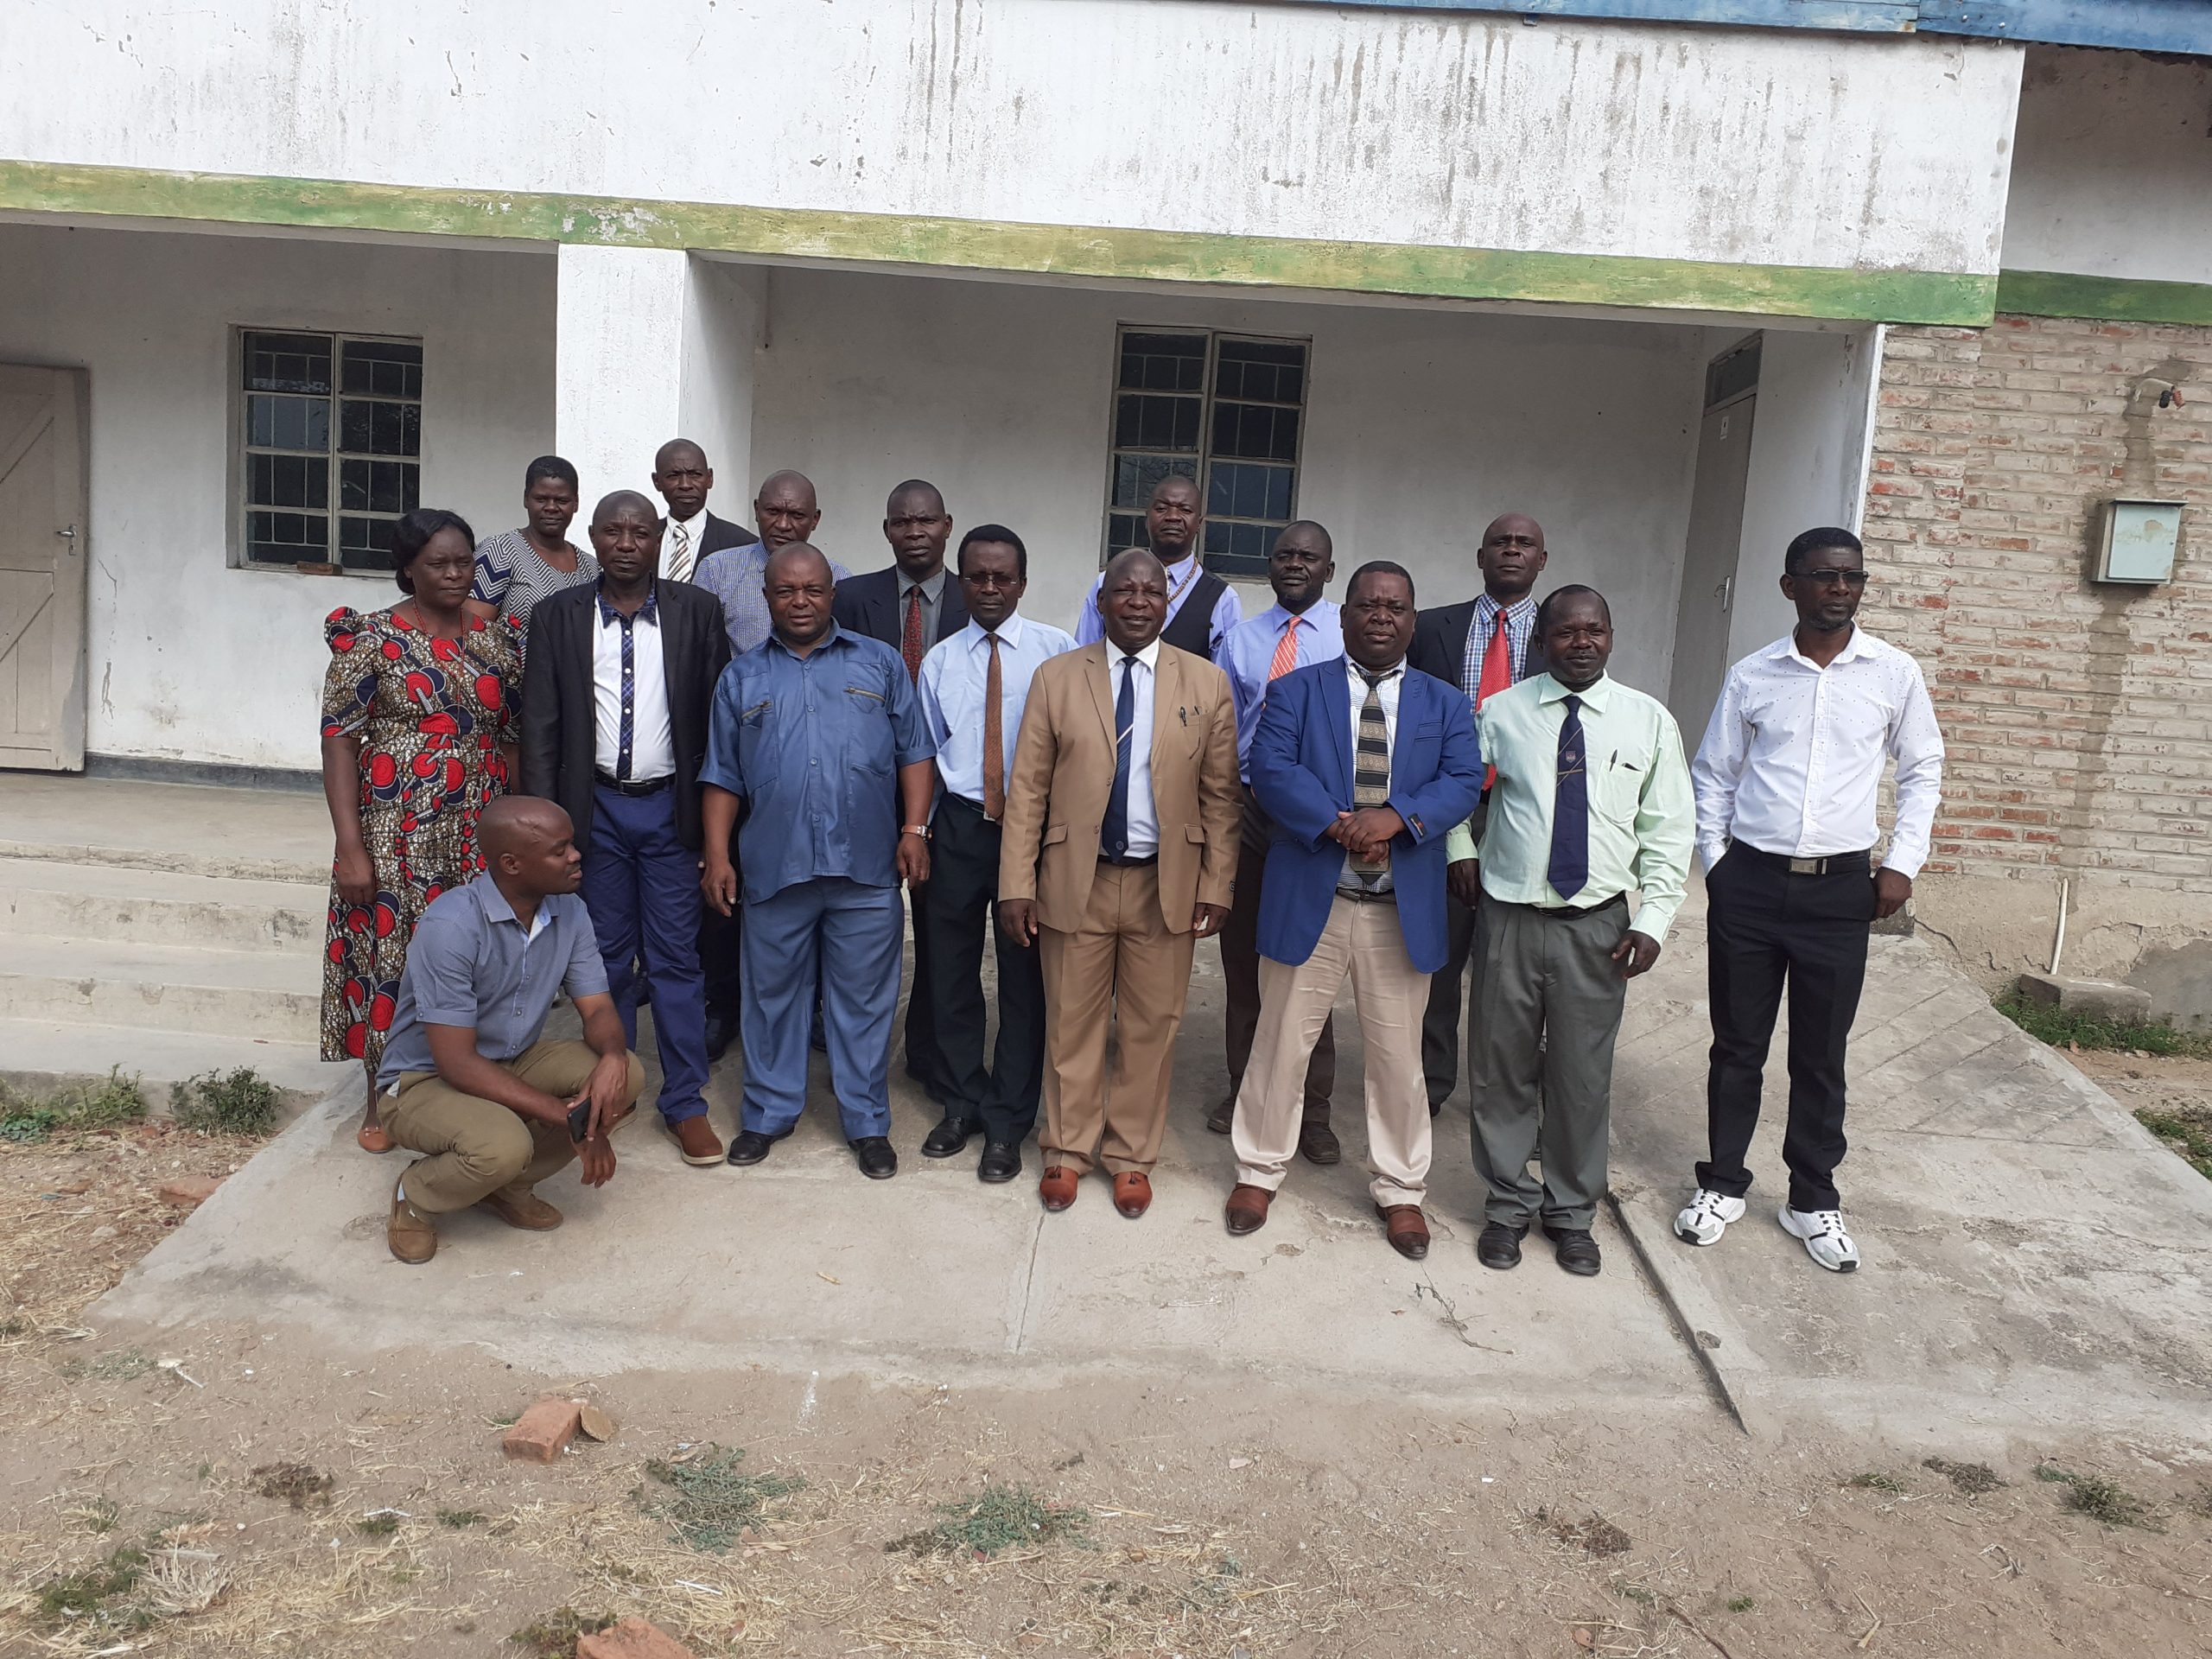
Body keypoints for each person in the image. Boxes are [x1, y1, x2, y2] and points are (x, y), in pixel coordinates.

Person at [1674, 527, 1944, 1273]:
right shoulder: (1755, 674)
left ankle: (1812, 1198)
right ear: (1789, 585)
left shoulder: (1893, 673)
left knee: (1820, 1054)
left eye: (1852, 577)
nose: (1840, 589)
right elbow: (1714, 774)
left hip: (1841, 892)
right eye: (1823, 577)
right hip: (1751, 886)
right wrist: (1718, 862)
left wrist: (1902, 863)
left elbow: (1923, 768)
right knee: (1737, 1047)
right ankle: (1723, 1182)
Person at [1225, 563, 1483, 1259]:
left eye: (1395, 607)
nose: (1379, 617)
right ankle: (1258, 1170)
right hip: (1315, 892)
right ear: (1343, 618)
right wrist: (1342, 825)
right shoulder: (1295, 692)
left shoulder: (1446, 703)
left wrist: (1395, 819)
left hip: (1401, 906)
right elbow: (1272, 769)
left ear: (1411, 619)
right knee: (1281, 1042)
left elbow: (1462, 780)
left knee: (1399, 1058)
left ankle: (1401, 1190)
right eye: (1367, 605)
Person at [1446, 585, 1693, 1277]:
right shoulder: (1499, 713)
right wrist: (1460, 853)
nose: (1580, 643)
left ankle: (1571, 1213)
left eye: (1594, 631)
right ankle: (1505, 1206)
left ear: (1611, 637)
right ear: (1542, 641)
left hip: (1599, 929)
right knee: (1500, 1072)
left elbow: (1669, 830)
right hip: (1509, 921)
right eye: (1565, 632)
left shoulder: (1648, 722)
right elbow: (1455, 790)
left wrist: (1652, 919)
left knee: (1582, 1076)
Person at [999, 548, 1242, 1218]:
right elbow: (1027, 792)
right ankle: (1067, 1150)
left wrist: (1218, 882)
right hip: (1076, 877)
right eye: (1123, 591)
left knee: (1151, 1028)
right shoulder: (1057, 678)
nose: (1137, 602)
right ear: (1101, 602)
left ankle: (1132, 1155)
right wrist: (1016, 883)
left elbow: (1222, 797)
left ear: (1167, 604)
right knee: (1070, 1022)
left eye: (1151, 592)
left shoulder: (1206, 683)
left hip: (1165, 883)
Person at [699, 543, 935, 1179]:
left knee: (863, 1000)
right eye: (785, 591)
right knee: (772, 997)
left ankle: (866, 1122)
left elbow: (916, 750)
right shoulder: (741, 677)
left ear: (832, 593)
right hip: (776, 868)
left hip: (865, 869)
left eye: (812, 590)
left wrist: (915, 828)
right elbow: (721, 776)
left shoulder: (881, 663)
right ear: (767, 597)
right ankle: (768, 1114)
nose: (799, 601)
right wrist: (718, 855)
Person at [520, 491, 731, 1168]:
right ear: (595, 536)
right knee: (604, 960)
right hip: (596, 814)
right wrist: (550, 827)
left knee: (675, 961)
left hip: (671, 812)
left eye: (641, 532)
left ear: (656, 539)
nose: (626, 543)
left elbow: (716, 722)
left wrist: (716, 826)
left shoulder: (696, 611)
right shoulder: (557, 615)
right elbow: (542, 728)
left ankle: (686, 1103)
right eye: (613, 531)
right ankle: (603, 1095)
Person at [320, 508, 520, 1154]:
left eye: (464, 562)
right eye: (439, 563)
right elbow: (339, 744)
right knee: (392, 957)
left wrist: (513, 820)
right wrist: (352, 848)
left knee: (471, 956)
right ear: (407, 567)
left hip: (479, 827)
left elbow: (510, 736)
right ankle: (380, 1096)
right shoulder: (372, 640)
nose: (456, 574)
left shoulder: (494, 640)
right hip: (397, 828)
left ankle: (463, 1082)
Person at [378, 798, 645, 1264]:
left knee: (627, 1077)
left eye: (572, 845)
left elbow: (599, 1009)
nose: (576, 856)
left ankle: (505, 1187)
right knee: (502, 1145)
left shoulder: (570, 911)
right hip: (423, 1081)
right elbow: (457, 1063)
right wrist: (572, 1120)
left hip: (512, 1059)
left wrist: (614, 1059)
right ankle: (417, 1196)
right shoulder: (452, 925)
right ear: (511, 864)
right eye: (559, 850)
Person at [914, 526, 1077, 1179]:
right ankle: (962, 1100)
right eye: (975, 577)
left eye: (1001, 578)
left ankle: (1009, 1120)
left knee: (1024, 979)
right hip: (958, 828)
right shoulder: (940, 661)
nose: (987, 588)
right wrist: (919, 834)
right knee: (949, 973)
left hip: (1030, 835)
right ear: (961, 580)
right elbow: (924, 753)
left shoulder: (1057, 653)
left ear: (1021, 583)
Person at [688, 470, 851, 1060]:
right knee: (726, 887)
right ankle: (724, 1005)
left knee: (808, 891)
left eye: (797, 514)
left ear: (815, 519)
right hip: (736, 754)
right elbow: (703, 659)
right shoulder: (719, 569)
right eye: (774, 511)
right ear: (756, 510)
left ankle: (808, 1009)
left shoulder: (840, 582)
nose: (784, 523)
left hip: (807, 768)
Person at [832, 480, 973, 1109]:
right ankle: (840, 1047)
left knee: (940, 932)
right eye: (902, 522)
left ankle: (928, 1054)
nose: (915, 532)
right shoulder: (852, 597)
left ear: (947, 526)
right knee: (855, 930)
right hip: (862, 790)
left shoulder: (981, 594)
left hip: (948, 792)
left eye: (926, 521)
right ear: (887, 530)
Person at [1209, 522, 1344, 1159]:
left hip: (1319, 816)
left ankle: (1311, 1111)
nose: (1296, 565)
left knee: (1311, 963)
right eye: (1286, 555)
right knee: (1244, 960)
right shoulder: (1239, 640)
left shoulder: (1350, 634)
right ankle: (1245, 1088)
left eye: (1308, 557)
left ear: (1329, 568)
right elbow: (1220, 727)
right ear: (1270, 566)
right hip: (1246, 809)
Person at [1408, 512, 1549, 1113]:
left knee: (1514, 964)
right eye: (1500, 543)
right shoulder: (1434, 628)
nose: (1511, 551)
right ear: (1480, 556)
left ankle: (1507, 1093)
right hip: (1446, 807)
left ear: (1542, 560)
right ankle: (1430, 1087)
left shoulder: (1565, 631)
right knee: (1440, 956)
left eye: (1524, 544)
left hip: (1526, 812)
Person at [1075, 474, 1243, 659]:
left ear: (1199, 524)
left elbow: (1222, 680)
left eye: (1185, 510)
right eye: (1162, 508)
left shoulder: (1223, 599)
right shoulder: (1107, 582)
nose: (1173, 517)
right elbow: (1083, 658)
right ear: (1147, 518)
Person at [464, 455, 598, 654]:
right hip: (511, 683)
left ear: (576, 504)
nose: (551, 507)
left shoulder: (591, 567)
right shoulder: (500, 550)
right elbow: (472, 633)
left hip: (573, 684)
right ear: (526, 498)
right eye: (541, 499)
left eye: (562, 500)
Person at [651, 438, 757, 584]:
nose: (685, 485)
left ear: (710, 478)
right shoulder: (640, 539)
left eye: (695, 475)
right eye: (674, 476)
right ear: (657, 481)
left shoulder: (744, 545)